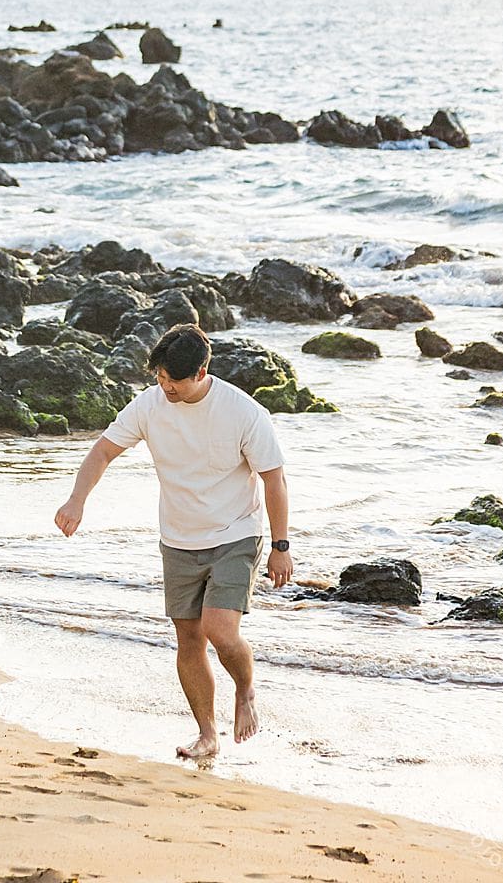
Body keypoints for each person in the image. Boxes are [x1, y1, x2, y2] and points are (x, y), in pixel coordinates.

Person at [54, 323, 292, 760]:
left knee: (220, 629)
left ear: (201, 372)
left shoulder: (244, 412)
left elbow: (273, 480)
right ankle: (207, 733)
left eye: (174, 381)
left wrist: (281, 547)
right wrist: (76, 500)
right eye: (160, 378)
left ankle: (245, 690)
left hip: (235, 532)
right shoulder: (149, 404)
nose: (165, 387)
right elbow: (103, 451)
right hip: (178, 538)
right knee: (188, 639)